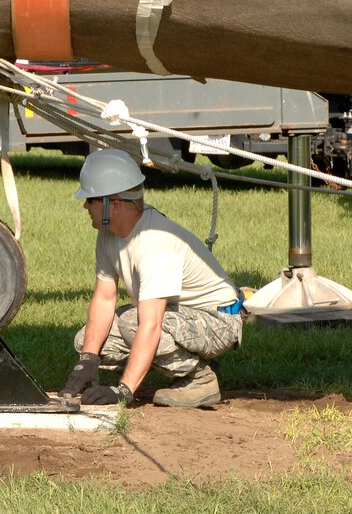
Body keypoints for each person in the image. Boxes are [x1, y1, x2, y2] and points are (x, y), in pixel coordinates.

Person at [60, 149, 244, 408]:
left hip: (219, 321)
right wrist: (88, 360)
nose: (85, 206)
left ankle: (199, 379)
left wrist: (124, 391)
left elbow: (150, 325)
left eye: (90, 199)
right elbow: (104, 299)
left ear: (113, 205)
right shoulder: (108, 234)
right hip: (179, 315)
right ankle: (183, 364)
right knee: (85, 340)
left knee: (133, 324)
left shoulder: (155, 243)